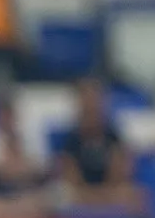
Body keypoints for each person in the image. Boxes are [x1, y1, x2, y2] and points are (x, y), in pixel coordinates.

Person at [58, 79, 140, 208]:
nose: (91, 106)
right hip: (84, 194)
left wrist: (105, 195)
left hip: (110, 192)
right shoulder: (70, 142)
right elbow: (71, 181)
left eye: (94, 104)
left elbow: (120, 176)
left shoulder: (113, 138)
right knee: (62, 195)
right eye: (87, 106)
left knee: (134, 195)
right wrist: (95, 196)